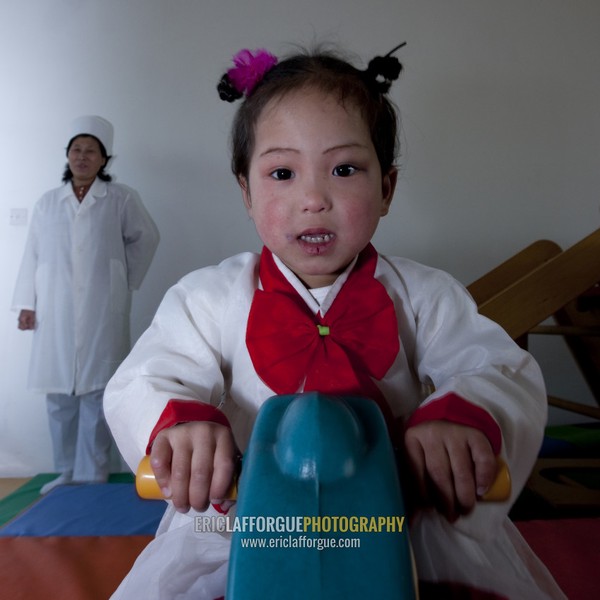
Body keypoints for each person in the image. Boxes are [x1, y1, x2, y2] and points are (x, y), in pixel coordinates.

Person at [104, 48, 565, 599]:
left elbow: (498, 367)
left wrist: (462, 419)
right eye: (282, 173)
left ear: (386, 188)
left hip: (398, 518)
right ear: (246, 193)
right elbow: (145, 379)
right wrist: (180, 428)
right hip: (238, 523)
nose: (314, 199)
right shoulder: (207, 297)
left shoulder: (425, 294)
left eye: (344, 170)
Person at [12, 115, 159, 495]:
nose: (82, 156)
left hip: (100, 307)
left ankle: (93, 472)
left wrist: (123, 278)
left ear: (104, 159)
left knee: (97, 391)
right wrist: (27, 304)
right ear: (67, 156)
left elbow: (146, 237)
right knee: (59, 393)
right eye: (76, 150)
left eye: (90, 151)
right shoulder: (48, 203)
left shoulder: (120, 198)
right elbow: (32, 255)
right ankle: (65, 470)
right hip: (54, 310)